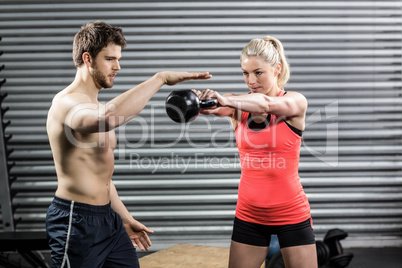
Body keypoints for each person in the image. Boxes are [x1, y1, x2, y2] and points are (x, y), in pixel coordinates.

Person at [46, 21, 212, 268]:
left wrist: (124, 217)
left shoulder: (96, 106)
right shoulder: (66, 103)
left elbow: (102, 176)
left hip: (108, 220)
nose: (118, 67)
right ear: (88, 59)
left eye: (119, 59)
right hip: (76, 220)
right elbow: (109, 119)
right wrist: (160, 79)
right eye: (110, 59)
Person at [193, 36, 317, 268]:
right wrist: (196, 102)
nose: (251, 80)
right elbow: (217, 107)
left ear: (277, 69)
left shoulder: (295, 101)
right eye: (245, 73)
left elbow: (266, 105)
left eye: (258, 72)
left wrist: (226, 100)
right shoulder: (237, 106)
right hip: (250, 214)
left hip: (291, 212)